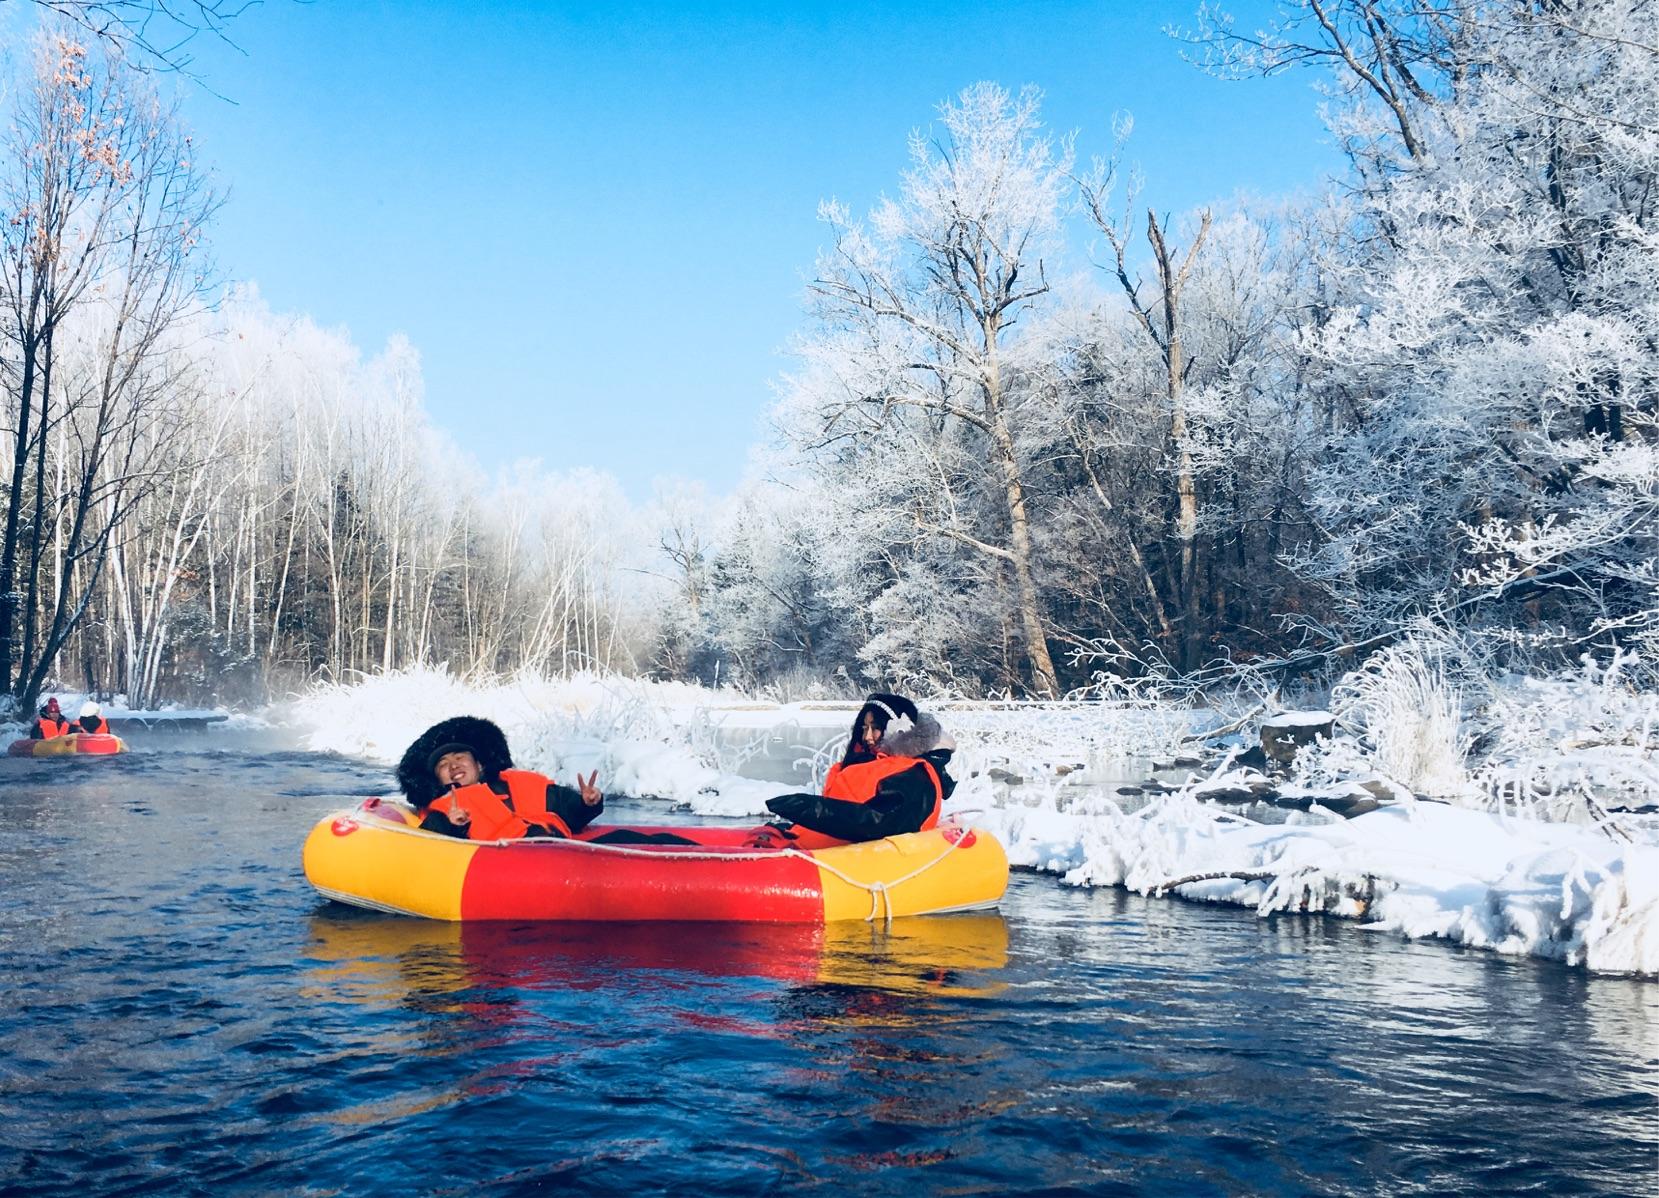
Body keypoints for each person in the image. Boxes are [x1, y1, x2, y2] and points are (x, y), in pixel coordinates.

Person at [396, 716, 695, 845]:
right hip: (517, 868)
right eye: (444, 766)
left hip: (563, 850)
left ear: (479, 764)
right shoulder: (444, 809)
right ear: (439, 778)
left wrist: (588, 802)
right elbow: (429, 848)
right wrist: (453, 825)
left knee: (644, 841)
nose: (454, 766)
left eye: (460, 758)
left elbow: (569, 811)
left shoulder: (520, 784)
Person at [760, 693, 957, 850]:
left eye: (876, 728)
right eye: (864, 728)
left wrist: (812, 809)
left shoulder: (916, 775)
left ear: (899, 730)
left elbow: (880, 821)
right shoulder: (869, 764)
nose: (867, 737)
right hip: (825, 851)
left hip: (859, 866)